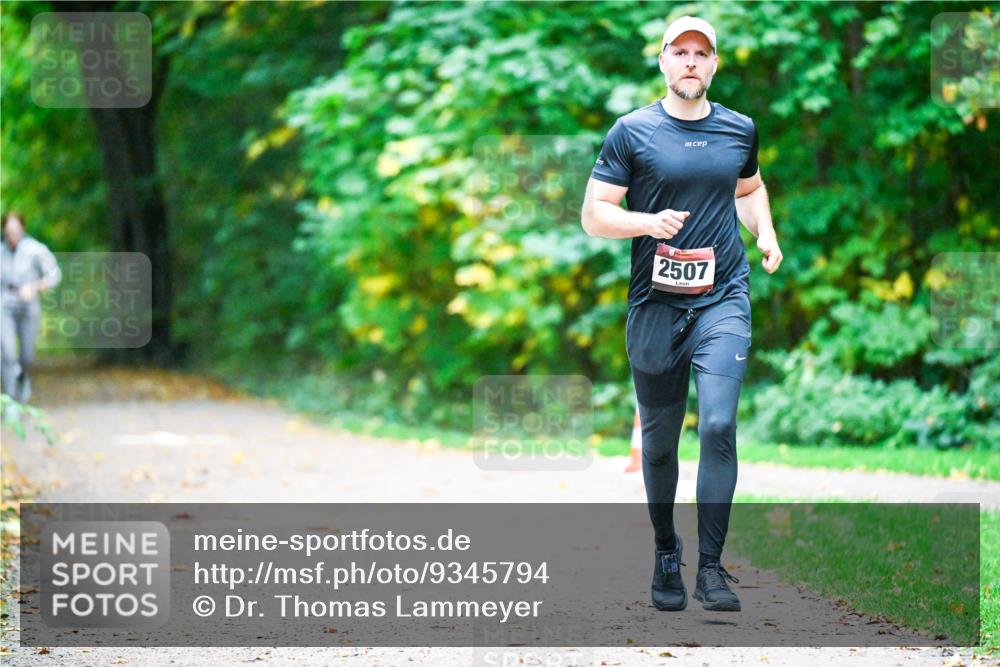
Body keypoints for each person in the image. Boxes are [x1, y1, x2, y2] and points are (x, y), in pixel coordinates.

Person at [581, 16, 782, 612]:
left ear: (715, 64)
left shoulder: (738, 129)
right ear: (663, 62)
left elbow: (749, 190)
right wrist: (646, 222)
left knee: (718, 425)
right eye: (680, 52)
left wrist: (766, 235)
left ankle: (713, 570)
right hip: (655, 306)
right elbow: (594, 215)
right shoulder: (632, 132)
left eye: (702, 53)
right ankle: (667, 551)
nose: (691, 62)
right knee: (661, 446)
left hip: (723, 296)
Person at [1, 211, 62, 404]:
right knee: (8, 353)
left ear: (23, 229)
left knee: (26, 356)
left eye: (16, 231)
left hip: (28, 307)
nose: (12, 236)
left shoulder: (36, 249)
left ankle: (23, 379)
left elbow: (54, 275)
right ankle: (11, 400)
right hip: (4, 307)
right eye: (8, 232)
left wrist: (35, 287)